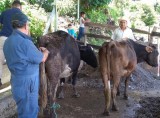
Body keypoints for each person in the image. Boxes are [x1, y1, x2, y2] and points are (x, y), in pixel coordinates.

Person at [3, 12, 49, 118]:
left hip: (16, 81)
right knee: (29, 113)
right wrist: (46, 51)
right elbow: (42, 58)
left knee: (24, 110)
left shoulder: (8, 41)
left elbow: (21, 56)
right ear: (25, 25)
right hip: (28, 84)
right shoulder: (25, 43)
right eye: (28, 24)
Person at [0, 0, 22, 86]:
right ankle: (15, 80)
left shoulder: (5, 12)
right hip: (14, 39)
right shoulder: (21, 14)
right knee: (15, 60)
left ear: (11, 6)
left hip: (3, 38)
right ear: (20, 7)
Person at [111, 16, 135, 82]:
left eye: (124, 22)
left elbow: (133, 40)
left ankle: (130, 75)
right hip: (117, 48)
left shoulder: (129, 31)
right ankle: (113, 73)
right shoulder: (116, 30)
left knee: (131, 61)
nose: (122, 24)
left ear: (126, 23)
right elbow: (112, 39)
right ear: (119, 23)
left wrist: (127, 39)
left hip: (126, 49)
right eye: (121, 22)